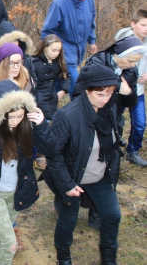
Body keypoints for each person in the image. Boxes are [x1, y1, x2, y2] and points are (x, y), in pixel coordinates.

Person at [42, 64, 124, 265]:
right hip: (73, 178)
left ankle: (108, 258)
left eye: (110, 94)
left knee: (112, 215)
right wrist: (68, 185)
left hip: (99, 176)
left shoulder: (109, 110)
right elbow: (54, 155)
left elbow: (113, 144)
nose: (105, 100)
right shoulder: (68, 115)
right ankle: (64, 258)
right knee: (68, 218)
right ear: (87, 90)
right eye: (101, 94)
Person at [0, 80, 49, 265]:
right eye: (9, 118)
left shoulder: (26, 130)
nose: (15, 122)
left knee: (0, 234)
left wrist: (42, 125)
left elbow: (51, 147)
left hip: (15, 192)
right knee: (10, 244)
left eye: (20, 116)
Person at [41, 0, 98, 96]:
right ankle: (76, 109)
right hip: (63, 48)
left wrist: (92, 41)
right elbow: (48, 30)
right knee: (75, 79)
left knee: (59, 81)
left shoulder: (89, 1)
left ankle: (50, 106)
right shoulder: (59, 2)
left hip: (79, 48)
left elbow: (91, 23)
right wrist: (49, 51)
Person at [115, 9, 147, 167]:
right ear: (133, 24)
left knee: (140, 123)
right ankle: (113, 148)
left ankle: (132, 151)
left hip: (138, 91)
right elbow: (114, 62)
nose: (145, 28)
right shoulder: (124, 40)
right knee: (115, 120)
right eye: (143, 25)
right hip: (121, 89)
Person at [32, 34, 70, 121]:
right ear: (45, 48)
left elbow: (66, 76)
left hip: (52, 100)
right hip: (37, 103)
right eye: (53, 50)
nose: (56, 53)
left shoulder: (59, 62)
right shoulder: (34, 63)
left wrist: (62, 91)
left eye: (58, 51)